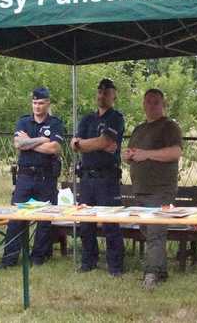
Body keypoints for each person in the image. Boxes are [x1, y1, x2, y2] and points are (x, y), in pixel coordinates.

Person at [0, 87, 65, 267]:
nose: (37, 106)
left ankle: (38, 258)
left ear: (48, 103)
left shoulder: (55, 123)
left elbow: (54, 148)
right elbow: (18, 143)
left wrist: (29, 142)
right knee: (17, 218)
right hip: (25, 176)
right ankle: (9, 259)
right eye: (34, 103)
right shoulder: (23, 122)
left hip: (46, 177)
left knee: (44, 219)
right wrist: (41, 140)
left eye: (41, 103)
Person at [123, 88, 182, 290]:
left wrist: (146, 154)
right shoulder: (139, 129)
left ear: (163, 105)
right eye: (148, 102)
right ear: (143, 104)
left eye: (156, 102)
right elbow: (133, 153)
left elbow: (175, 153)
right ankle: (161, 270)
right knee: (148, 231)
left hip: (161, 189)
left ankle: (150, 274)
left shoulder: (170, 127)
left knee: (156, 231)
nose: (152, 105)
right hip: (140, 188)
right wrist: (130, 155)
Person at [70, 78, 125, 276]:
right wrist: (86, 144)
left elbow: (105, 142)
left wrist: (83, 144)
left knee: (110, 223)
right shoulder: (87, 119)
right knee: (86, 223)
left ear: (114, 95)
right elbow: (73, 143)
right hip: (87, 178)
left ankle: (115, 266)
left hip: (107, 178)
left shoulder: (116, 118)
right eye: (99, 92)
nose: (102, 96)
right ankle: (88, 262)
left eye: (106, 92)